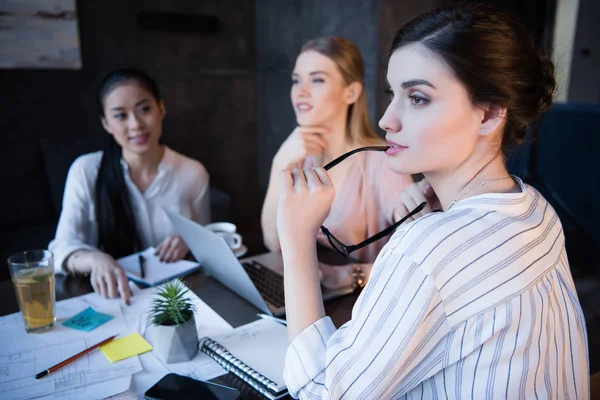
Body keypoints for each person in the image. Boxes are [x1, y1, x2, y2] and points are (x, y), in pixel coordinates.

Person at [277, 5, 589, 399]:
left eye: (418, 98)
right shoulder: (537, 210)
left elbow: (323, 392)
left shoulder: (427, 250)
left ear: (490, 114)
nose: (388, 120)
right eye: (393, 94)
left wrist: (297, 241)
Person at [261, 37, 413, 289]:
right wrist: (280, 164)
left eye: (317, 79)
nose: (300, 91)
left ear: (351, 92)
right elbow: (273, 243)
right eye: (296, 79)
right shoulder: (299, 157)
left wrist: (350, 276)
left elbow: (413, 261)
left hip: (359, 304)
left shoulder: (383, 164)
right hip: (308, 290)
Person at [49, 68, 211, 303]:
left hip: (175, 300)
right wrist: (96, 259)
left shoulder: (192, 173)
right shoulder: (86, 171)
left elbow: (210, 244)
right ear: (106, 123)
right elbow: (59, 248)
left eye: (144, 109)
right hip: (110, 298)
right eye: (120, 115)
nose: (135, 124)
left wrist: (190, 240)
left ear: (161, 109)